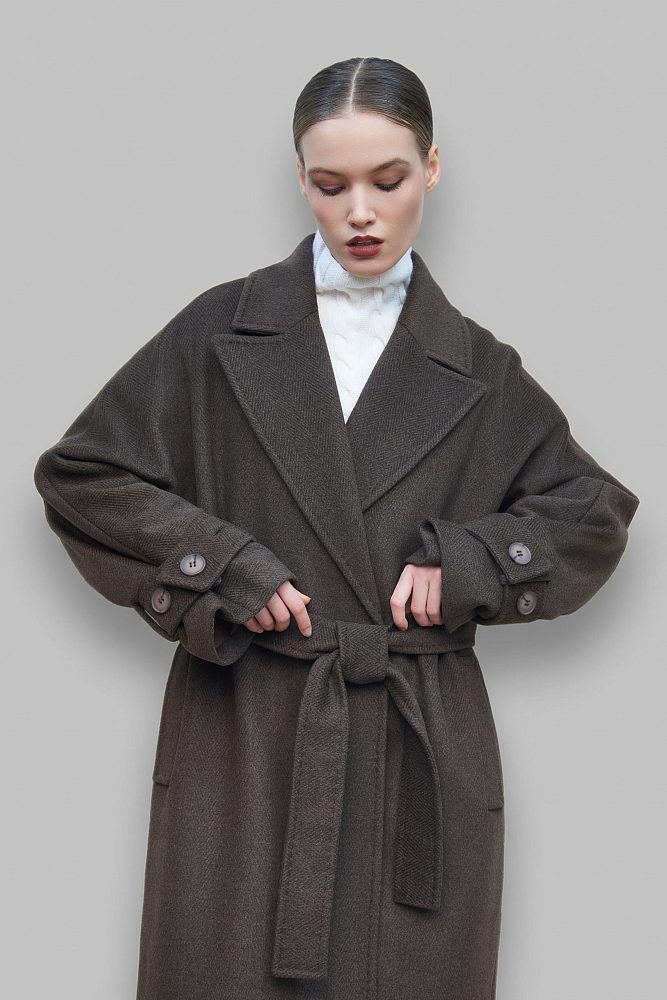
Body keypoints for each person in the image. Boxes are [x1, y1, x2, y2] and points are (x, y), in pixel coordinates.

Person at [33, 56, 640, 1000]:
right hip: (246, 732)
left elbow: (592, 514)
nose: (360, 212)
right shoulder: (218, 332)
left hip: (412, 744)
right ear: (300, 179)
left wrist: (469, 562)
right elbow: (83, 476)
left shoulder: (477, 365)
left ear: (431, 167)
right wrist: (220, 566)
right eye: (329, 184)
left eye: (387, 180)